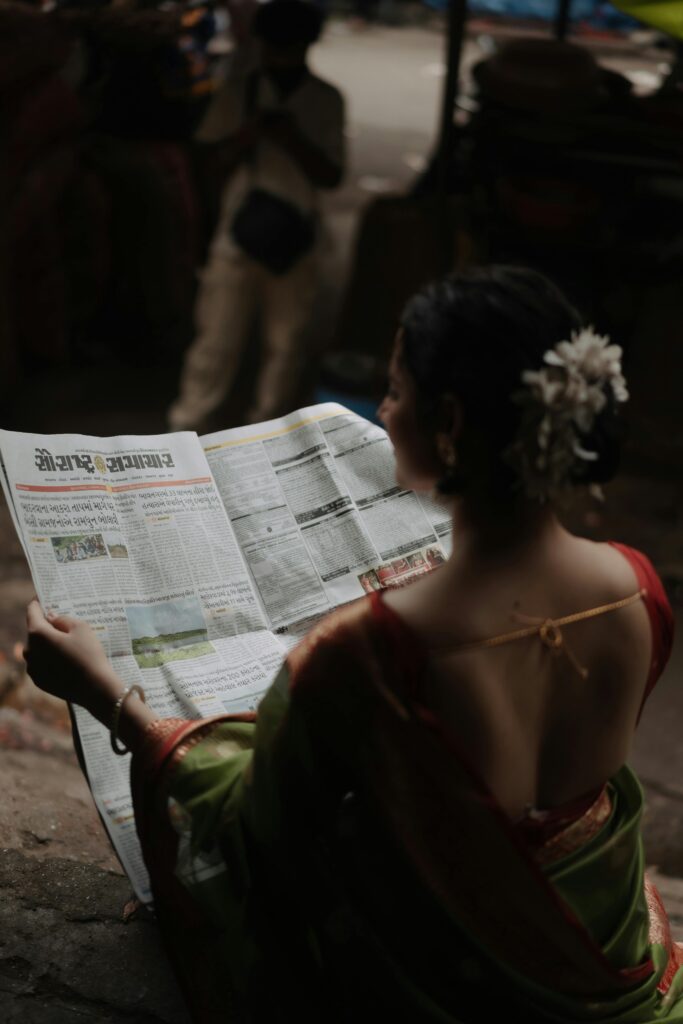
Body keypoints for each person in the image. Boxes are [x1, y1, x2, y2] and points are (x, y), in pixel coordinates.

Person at [24, 266, 681, 1023]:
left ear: (452, 427)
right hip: (609, 947)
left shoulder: (372, 653)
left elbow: (250, 827)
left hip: (456, 983)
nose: (383, 409)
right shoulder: (637, 589)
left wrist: (105, 692)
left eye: (396, 390)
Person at [167, 0, 345, 431]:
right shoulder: (238, 90)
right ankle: (185, 430)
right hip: (238, 231)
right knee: (215, 343)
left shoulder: (324, 100)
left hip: (296, 236)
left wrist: (292, 139)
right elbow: (207, 161)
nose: (281, 55)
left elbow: (332, 175)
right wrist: (248, 136)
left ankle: (267, 434)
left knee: (285, 346)